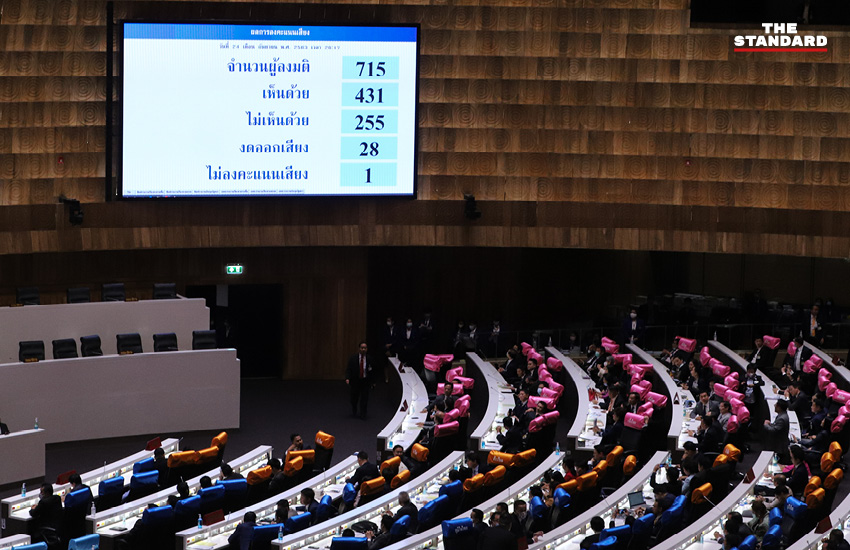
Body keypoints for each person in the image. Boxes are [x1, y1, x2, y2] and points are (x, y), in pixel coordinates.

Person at [345, 341, 375, 419]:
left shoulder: (369, 359)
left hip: (365, 381)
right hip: (355, 381)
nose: (363, 349)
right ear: (359, 349)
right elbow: (349, 369)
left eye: (365, 348)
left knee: (364, 398)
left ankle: (363, 414)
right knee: (354, 398)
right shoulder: (353, 358)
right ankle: (354, 409)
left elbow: (372, 371)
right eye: (362, 348)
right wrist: (347, 378)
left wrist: (372, 381)